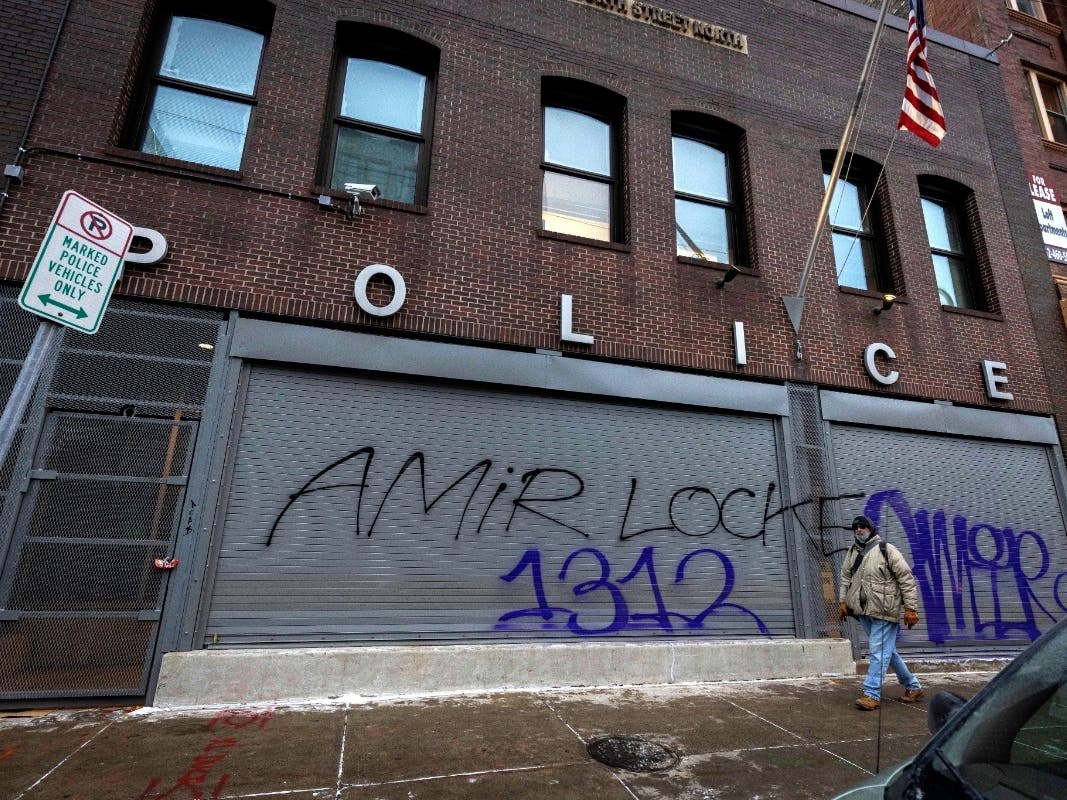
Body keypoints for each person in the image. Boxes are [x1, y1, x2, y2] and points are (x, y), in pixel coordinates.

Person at [838, 515, 923, 711]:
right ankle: (913, 686)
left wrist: (911, 608)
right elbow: (845, 577)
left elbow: (906, 578)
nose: (859, 530)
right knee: (887, 652)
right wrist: (843, 601)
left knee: (878, 652)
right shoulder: (853, 551)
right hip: (864, 612)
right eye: (856, 527)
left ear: (871, 529)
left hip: (885, 611)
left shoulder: (886, 549)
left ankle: (872, 693)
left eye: (863, 526)